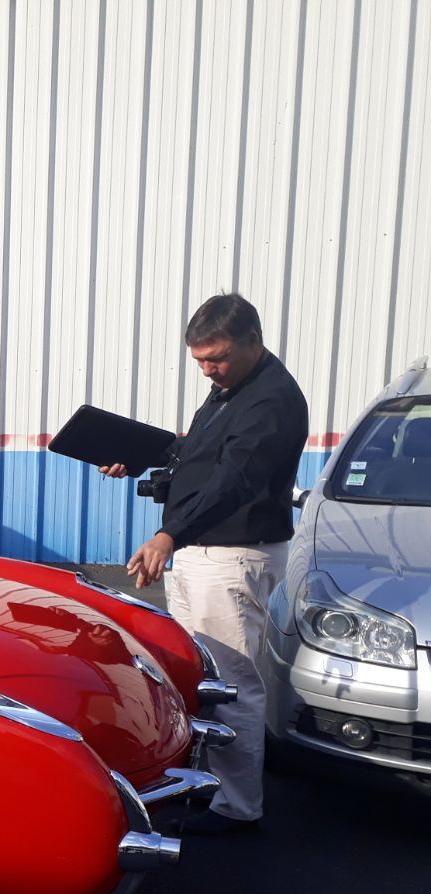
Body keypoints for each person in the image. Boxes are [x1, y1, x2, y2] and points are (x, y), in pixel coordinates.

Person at [101, 293, 308, 834]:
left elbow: (234, 481)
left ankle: (237, 807)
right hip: (204, 552)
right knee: (200, 676)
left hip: (233, 557)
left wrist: (170, 534)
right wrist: (136, 454)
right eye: (199, 361)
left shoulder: (271, 401)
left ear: (252, 341)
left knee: (232, 682)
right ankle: (210, 786)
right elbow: (197, 452)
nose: (208, 370)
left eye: (216, 358)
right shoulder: (229, 390)